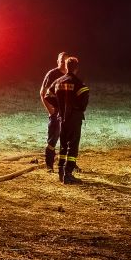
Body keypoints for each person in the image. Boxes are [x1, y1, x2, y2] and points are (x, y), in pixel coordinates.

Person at [51, 56, 90, 184]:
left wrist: (58, 106)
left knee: (63, 145)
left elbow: (47, 95)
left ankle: (61, 171)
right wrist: (77, 110)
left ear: (66, 67)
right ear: (76, 68)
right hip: (74, 119)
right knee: (72, 146)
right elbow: (84, 101)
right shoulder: (79, 83)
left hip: (62, 118)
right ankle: (68, 173)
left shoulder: (58, 82)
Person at [40, 51, 68, 173]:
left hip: (67, 113)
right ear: (57, 62)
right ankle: (49, 165)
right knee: (53, 138)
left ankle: (68, 164)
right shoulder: (52, 74)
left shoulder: (70, 75)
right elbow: (43, 93)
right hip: (56, 112)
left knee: (68, 139)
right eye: (61, 61)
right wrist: (51, 111)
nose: (63, 63)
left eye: (65, 61)